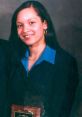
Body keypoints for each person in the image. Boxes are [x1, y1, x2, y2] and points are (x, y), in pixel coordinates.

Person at [7, 1, 79, 117]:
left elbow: (63, 110)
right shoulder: (11, 58)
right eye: (20, 25)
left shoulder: (65, 62)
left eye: (31, 22)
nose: (25, 30)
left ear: (44, 24)